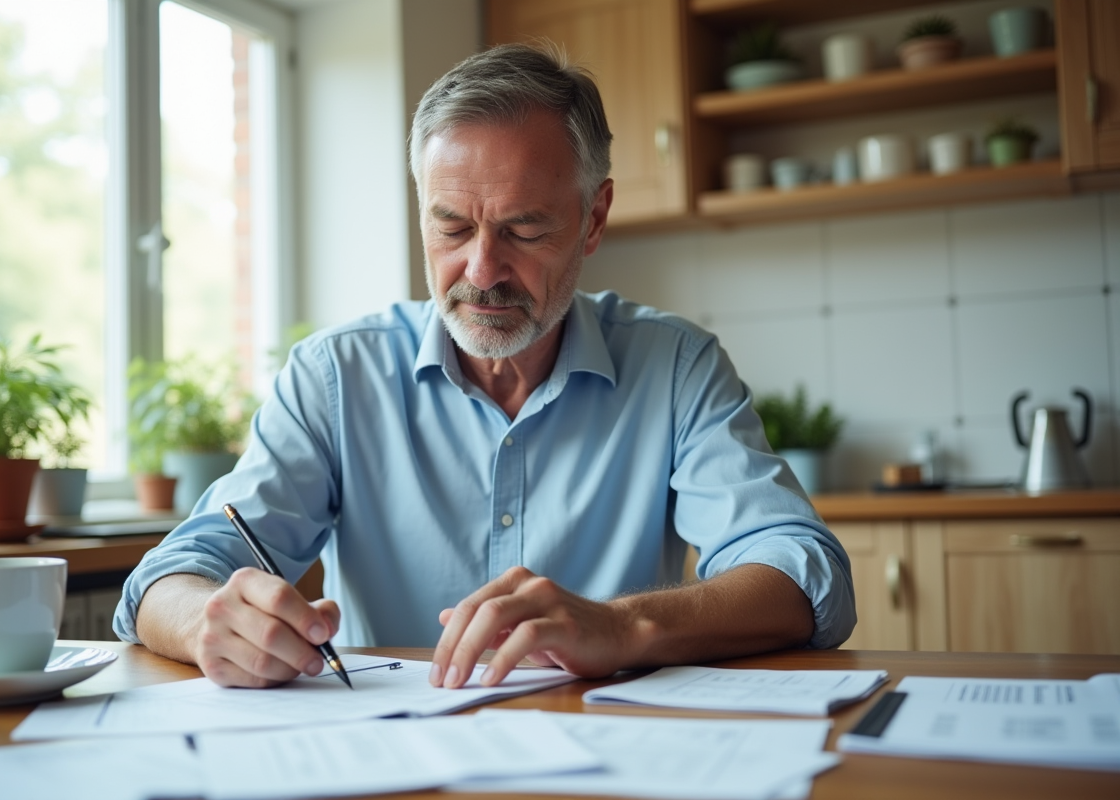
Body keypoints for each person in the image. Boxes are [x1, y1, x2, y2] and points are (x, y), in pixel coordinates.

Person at [115, 42, 855, 690]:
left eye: (524, 228)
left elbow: (803, 573)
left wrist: (622, 627)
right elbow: (167, 579)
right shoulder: (335, 376)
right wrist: (207, 621)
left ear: (593, 218)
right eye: (452, 227)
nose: (482, 268)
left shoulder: (674, 366)